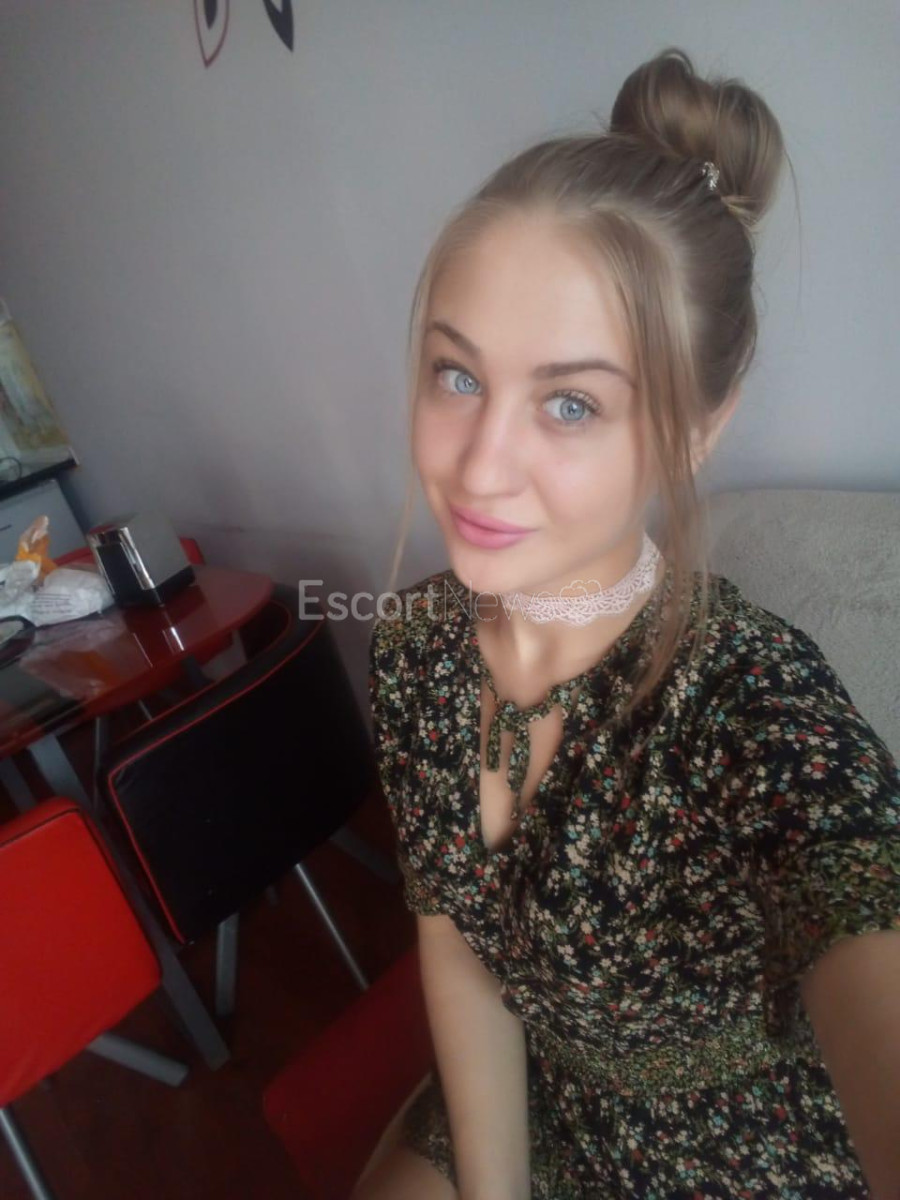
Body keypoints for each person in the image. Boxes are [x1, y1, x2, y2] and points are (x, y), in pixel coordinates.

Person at [353, 46, 900, 1200]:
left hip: (732, 1153)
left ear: (700, 424)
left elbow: (857, 893)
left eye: (570, 403)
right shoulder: (412, 648)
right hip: (542, 1093)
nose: (480, 467)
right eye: (458, 376)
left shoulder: (753, 708)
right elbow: (455, 944)